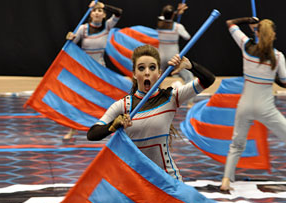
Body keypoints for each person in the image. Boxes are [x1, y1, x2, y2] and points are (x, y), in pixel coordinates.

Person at [220, 17, 286, 190]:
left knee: (236, 145)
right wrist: (270, 72)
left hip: (244, 106)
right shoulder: (278, 56)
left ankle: (225, 180)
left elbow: (230, 23)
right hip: (266, 109)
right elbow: (285, 83)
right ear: (273, 35)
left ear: (257, 32)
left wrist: (249, 21)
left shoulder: (246, 46)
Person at [87, 44, 215, 181]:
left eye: (152, 68)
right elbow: (92, 134)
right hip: (135, 182)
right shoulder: (123, 105)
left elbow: (208, 80)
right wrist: (113, 125)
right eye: (141, 68)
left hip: (168, 180)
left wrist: (191, 66)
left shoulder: (171, 97)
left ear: (159, 73)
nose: (147, 72)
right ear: (135, 74)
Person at [63, 0, 123, 140]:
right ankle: (73, 130)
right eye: (95, 10)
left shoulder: (107, 26)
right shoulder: (83, 28)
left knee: (106, 101)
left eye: (100, 11)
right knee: (78, 100)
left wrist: (104, 5)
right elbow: (71, 44)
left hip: (101, 71)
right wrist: (69, 38)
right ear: (90, 13)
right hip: (84, 71)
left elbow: (119, 12)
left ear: (104, 15)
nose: (97, 12)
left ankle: (109, 129)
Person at [157, 3, 195, 93]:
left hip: (160, 56)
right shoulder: (178, 27)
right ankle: (189, 99)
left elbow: (165, 16)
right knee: (188, 76)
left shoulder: (159, 24)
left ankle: (154, 95)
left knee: (157, 78)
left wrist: (177, 12)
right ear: (173, 15)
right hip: (173, 57)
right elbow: (187, 37)